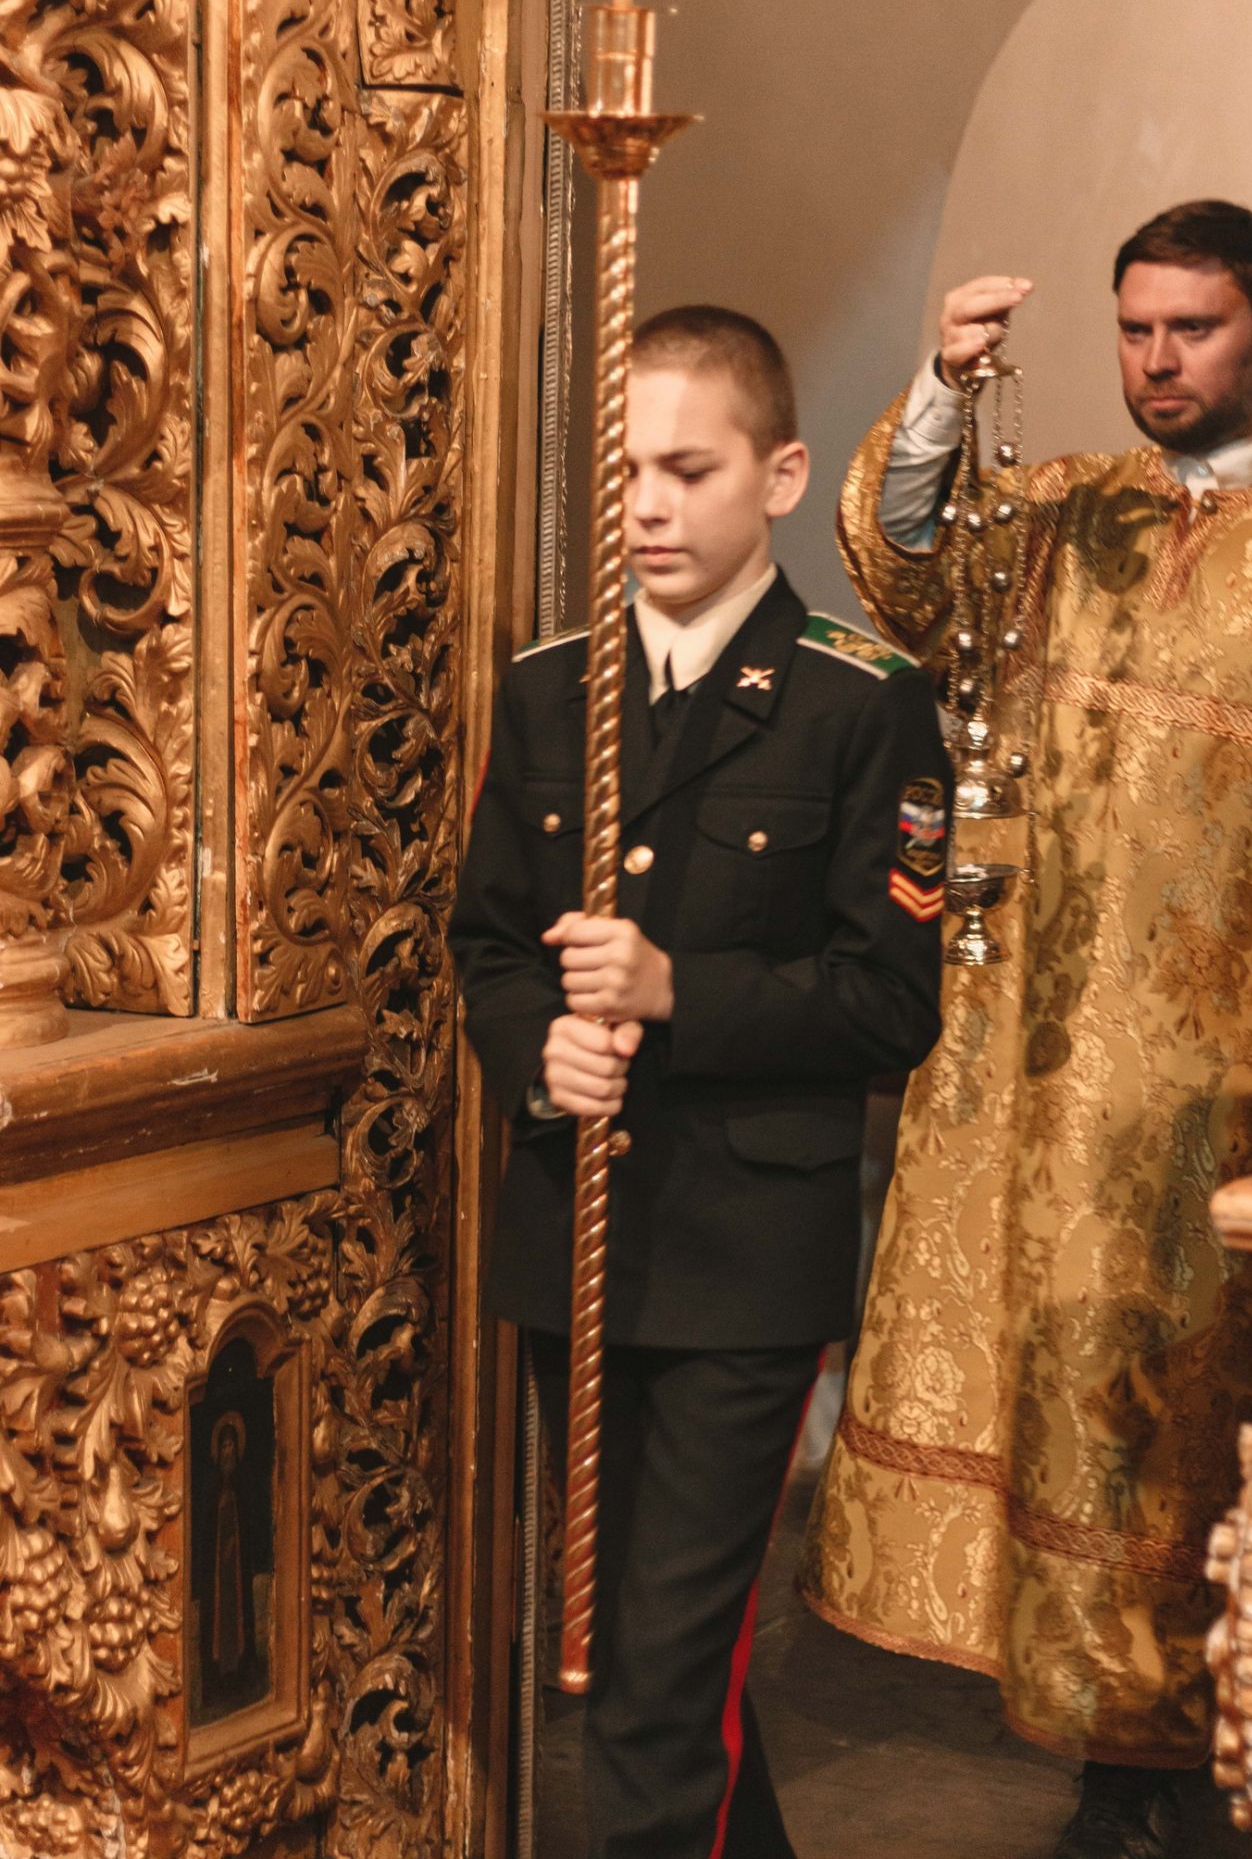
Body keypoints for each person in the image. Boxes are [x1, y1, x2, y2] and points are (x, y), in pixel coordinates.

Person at [800, 201, 1252, 1859]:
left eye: (1193, 329)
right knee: (1063, 1419)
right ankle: (1107, 1767)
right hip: (1030, 1066)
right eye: (1133, 330)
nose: (1156, 362)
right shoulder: (1059, 515)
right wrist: (942, 391)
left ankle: (1214, 1765)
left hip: (1222, 1087)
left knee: (1195, 1430)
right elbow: (902, 568)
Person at [448, 304, 951, 1859]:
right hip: (579, 1237)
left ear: (779, 475)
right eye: (625, 471)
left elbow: (889, 1004)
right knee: (646, 1662)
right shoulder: (551, 691)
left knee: (656, 1683)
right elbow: (489, 943)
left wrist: (680, 994)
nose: (648, 506)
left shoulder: (860, 700)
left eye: (687, 469)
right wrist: (540, 1050)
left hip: (743, 1259)